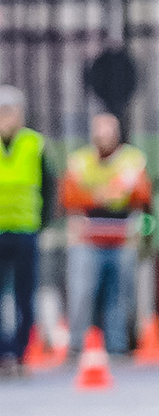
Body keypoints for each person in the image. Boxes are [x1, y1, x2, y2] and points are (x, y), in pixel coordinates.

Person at [62, 109, 149, 356]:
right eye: (99, 130)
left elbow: (140, 197)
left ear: (118, 133)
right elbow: (71, 196)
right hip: (87, 238)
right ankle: (76, 345)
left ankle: (118, 345)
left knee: (120, 296)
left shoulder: (132, 160)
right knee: (81, 293)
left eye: (109, 131)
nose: (104, 136)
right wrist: (107, 195)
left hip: (122, 238)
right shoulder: (80, 161)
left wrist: (98, 195)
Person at [0, 89, 51, 370]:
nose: (7, 118)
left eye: (12, 111)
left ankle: (20, 349)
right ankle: (1, 350)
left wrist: (43, 224)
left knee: (24, 295)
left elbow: (49, 185)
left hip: (25, 230)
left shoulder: (34, 143)